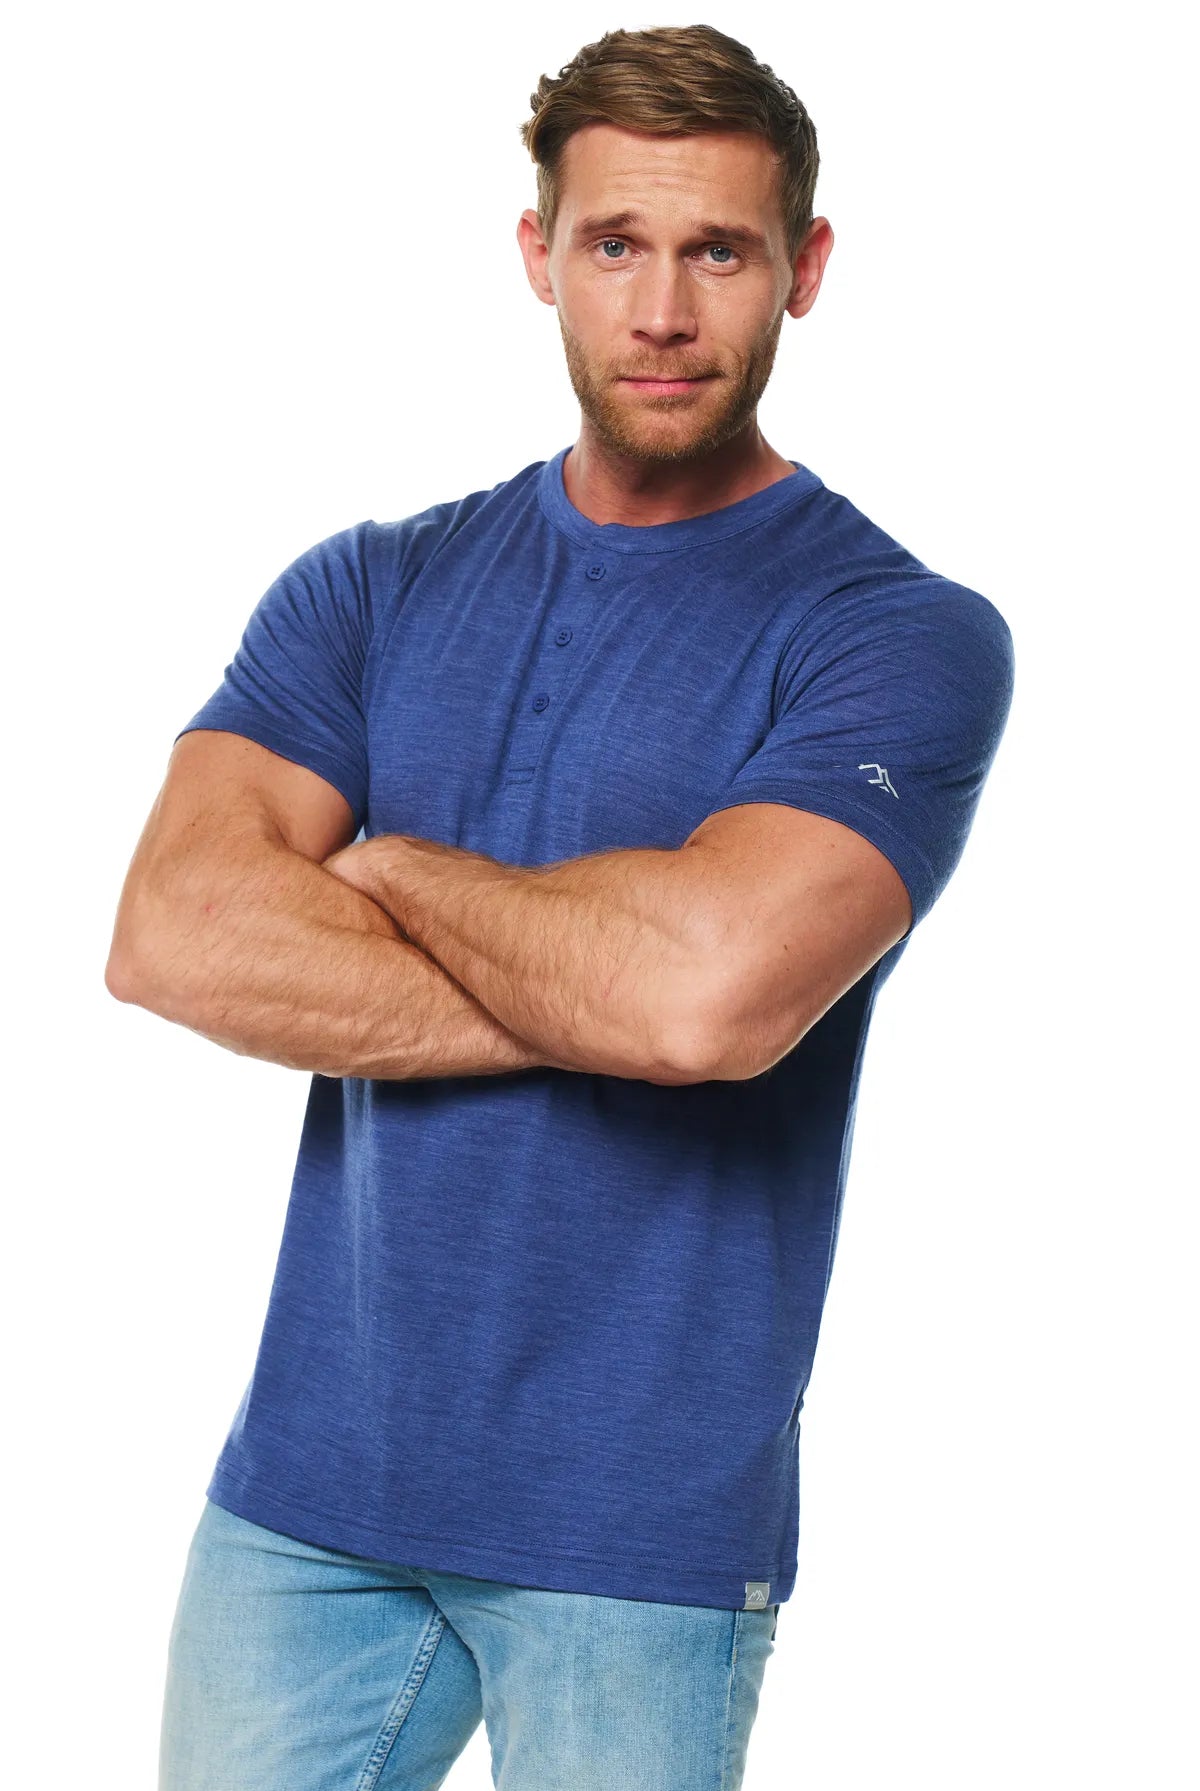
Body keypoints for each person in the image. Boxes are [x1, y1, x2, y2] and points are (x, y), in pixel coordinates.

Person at [107, 23, 1016, 1791]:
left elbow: (709, 1006)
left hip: (633, 1525)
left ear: (805, 267)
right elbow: (169, 935)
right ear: (539, 255)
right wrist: (619, 968)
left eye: (718, 251)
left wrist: (387, 868)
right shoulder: (374, 586)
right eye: (615, 244)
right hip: (304, 1495)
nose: (662, 311)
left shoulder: (895, 633)